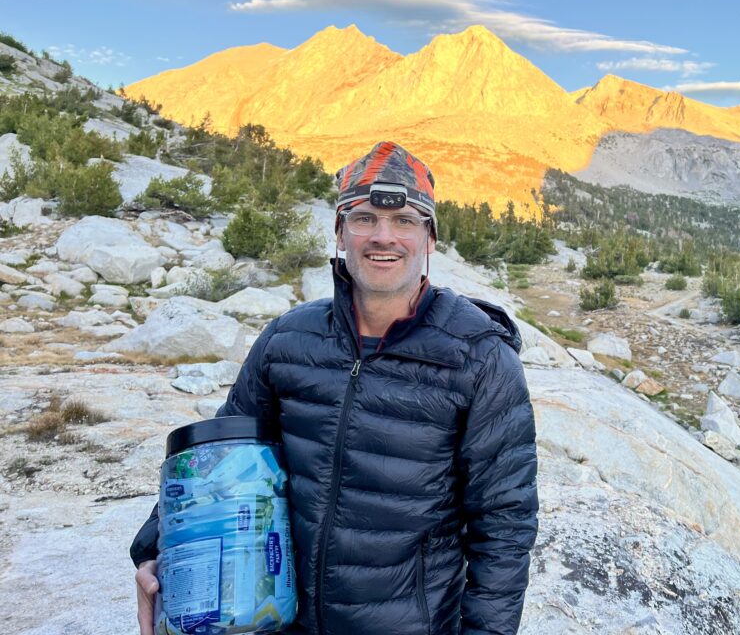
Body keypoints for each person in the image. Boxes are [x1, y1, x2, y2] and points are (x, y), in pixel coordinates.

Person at [132, 141, 539, 634]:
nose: (382, 237)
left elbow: (504, 524)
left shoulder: (479, 357)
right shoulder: (289, 338)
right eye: (364, 218)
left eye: (405, 221)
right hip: (280, 619)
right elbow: (219, 459)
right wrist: (158, 548)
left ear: (430, 239)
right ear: (340, 232)